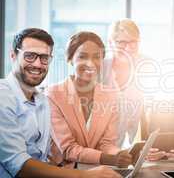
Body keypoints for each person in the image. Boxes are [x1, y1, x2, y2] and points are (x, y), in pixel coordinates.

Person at [0, 28, 121, 178]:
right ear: (13, 55)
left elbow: (43, 159)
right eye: (30, 56)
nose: (38, 64)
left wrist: (123, 155)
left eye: (44, 58)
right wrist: (83, 175)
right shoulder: (3, 96)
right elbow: (18, 164)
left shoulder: (41, 100)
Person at [47, 31, 132, 168]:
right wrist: (109, 159)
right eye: (82, 56)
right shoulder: (53, 95)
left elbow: (106, 143)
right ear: (70, 59)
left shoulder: (111, 96)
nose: (90, 63)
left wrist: (121, 154)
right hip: (62, 171)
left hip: (95, 170)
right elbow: (68, 149)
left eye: (96, 57)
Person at [103, 18, 145, 148]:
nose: (128, 47)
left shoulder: (147, 67)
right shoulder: (100, 68)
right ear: (110, 43)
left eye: (133, 42)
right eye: (121, 42)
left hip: (136, 147)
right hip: (102, 147)